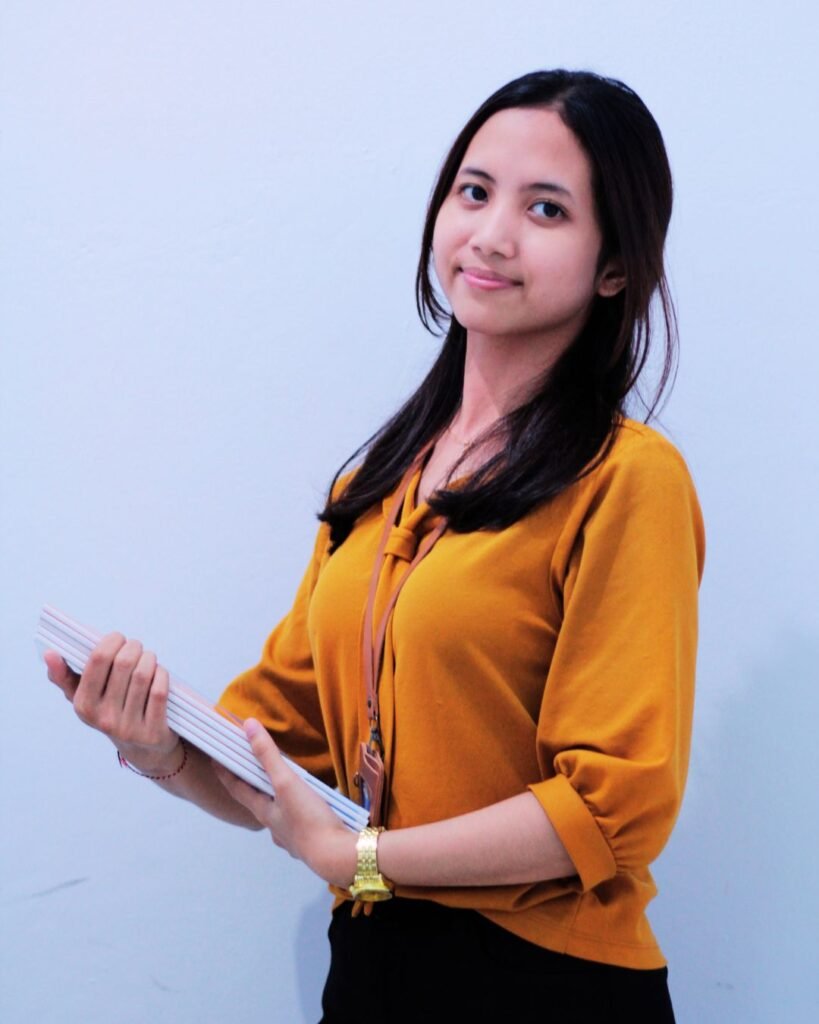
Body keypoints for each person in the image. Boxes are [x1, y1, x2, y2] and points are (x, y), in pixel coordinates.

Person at [45, 69, 705, 1022]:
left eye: (547, 209)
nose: (490, 233)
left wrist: (366, 860)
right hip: (372, 966)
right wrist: (157, 748)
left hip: (548, 986)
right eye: (472, 192)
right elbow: (285, 754)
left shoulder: (626, 479)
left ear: (615, 265)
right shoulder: (374, 487)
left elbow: (613, 807)